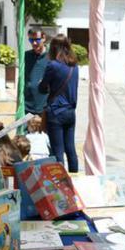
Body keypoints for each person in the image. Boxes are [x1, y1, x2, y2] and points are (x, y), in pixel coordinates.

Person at [38, 34, 79, 172]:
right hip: (70, 112)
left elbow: (42, 88)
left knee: (58, 152)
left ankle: (61, 186)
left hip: (56, 112)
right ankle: (75, 180)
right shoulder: (74, 66)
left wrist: (45, 85)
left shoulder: (53, 65)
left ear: (54, 48)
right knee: (71, 149)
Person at [24, 29, 50, 121]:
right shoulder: (26, 56)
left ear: (44, 38)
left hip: (44, 106)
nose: (34, 43)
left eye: (37, 40)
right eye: (31, 40)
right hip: (27, 106)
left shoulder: (51, 57)